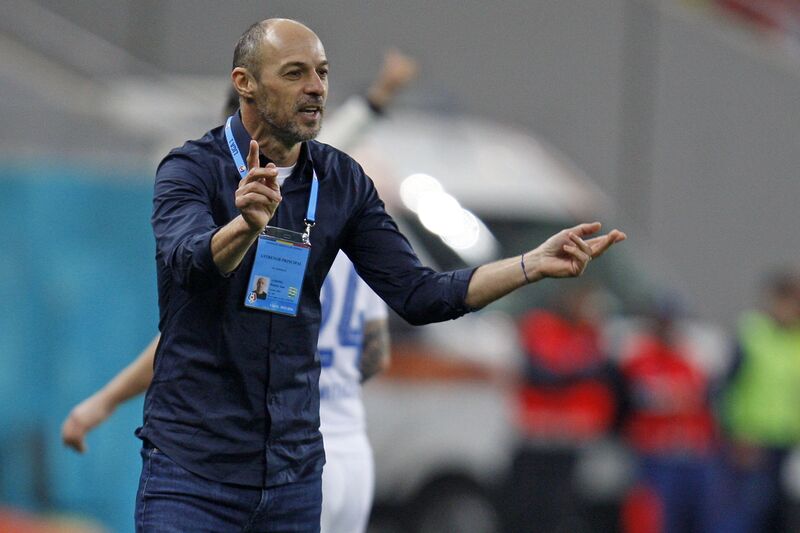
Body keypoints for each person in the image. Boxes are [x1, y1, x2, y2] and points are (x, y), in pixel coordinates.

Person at [136, 18, 624, 531]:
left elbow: (420, 294)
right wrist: (245, 227)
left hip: (290, 476)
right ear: (246, 83)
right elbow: (190, 263)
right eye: (295, 73)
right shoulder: (191, 168)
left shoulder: (340, 179)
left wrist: (529, 265)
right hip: (194, 472)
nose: (316, 87)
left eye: (322, 72)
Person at [63, 48, 416, 533]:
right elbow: (376, 355)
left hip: (265, 452)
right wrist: (379, 97)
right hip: (342, 449)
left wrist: (103, 401)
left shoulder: (255, 229)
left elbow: (182, 338)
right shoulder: (346, 222)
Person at [717, 268, 800, 533]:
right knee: (749, 513)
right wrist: (735, 432)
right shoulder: (752, 334)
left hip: (789, 444)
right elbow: (726, 389)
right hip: (754, 443)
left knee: (784, 515)